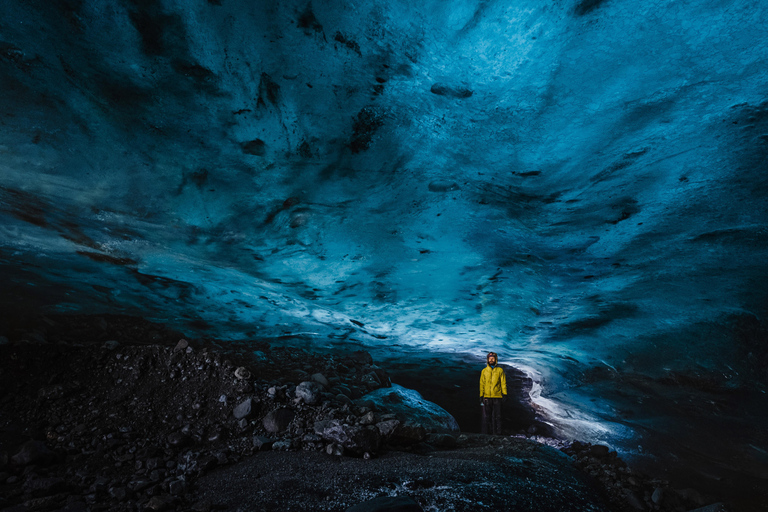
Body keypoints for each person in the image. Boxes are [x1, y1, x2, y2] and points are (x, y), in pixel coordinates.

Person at [479, 351, 507, 435]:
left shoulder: (500, 370)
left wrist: (504, 394)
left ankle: (498, 434)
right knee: (488, 416)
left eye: (493, 358)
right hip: (487, 397)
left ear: (496, 359)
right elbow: (481, 384)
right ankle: (488, 433)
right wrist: (481, 395)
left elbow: (503, 383)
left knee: (497, 416)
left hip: (497, 397)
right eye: (489, 358)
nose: (491, 360)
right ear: (487, 360)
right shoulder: (484, 371)